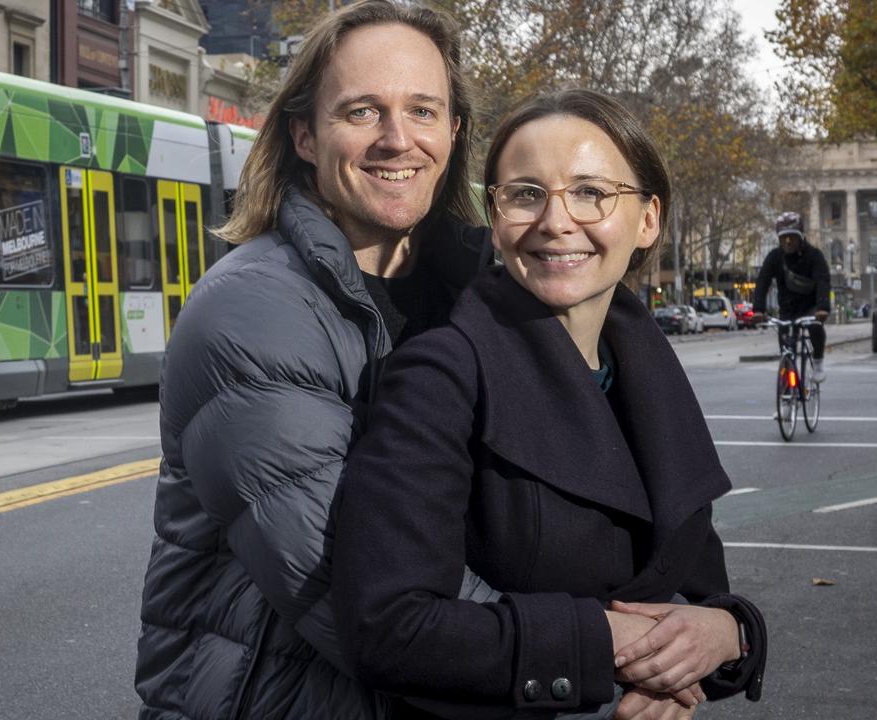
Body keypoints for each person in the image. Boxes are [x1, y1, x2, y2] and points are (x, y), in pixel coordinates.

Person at [333, 89, 766, 720]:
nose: (556, 221)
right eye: (525, 194)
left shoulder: (647, 373)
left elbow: (697, 592)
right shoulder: (439, 377)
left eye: (591, 192)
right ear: (495, 217)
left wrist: (729, 635)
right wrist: (609, 648)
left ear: (648, 218)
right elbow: (389, 627)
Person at [134, 2, 494, 718]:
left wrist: (689, 621)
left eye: (423, 111)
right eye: (362, 112)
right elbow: (361, 601)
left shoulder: (482, 294)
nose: (398, 140)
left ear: (453, 133)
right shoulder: (251, 310)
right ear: (303, 134)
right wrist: (601, 658)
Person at [751, 211, 831, 382]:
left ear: (801, 236)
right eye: (783, 237)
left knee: (816, 328)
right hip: (787, 309)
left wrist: (823, 308)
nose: (788, 241)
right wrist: (758, 310)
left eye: (792, 237)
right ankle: (786, 398)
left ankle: (818, 362)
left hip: (810, 307)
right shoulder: (775, 257)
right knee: (786, 352)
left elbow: (823, 281)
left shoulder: (814, 256)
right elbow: (762, 281)